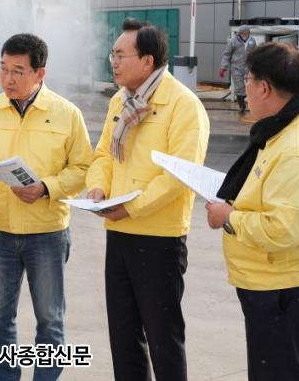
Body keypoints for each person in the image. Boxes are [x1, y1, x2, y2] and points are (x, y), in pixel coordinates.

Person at [205, 42, 299, 381]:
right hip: (276, 282)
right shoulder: (282, 130)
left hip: (287, 287)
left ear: (264, 87)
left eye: (247, 80)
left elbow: (282, 229)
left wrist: (229, 218)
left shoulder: (296, 149)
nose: (245, 88)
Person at [0, 33, 93, 381]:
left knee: (50, 319)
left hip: (46, 233)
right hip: (0, 232)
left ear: (39, 73)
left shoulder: (66, 114)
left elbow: (83, 169)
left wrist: (46, 188)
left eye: (18, 71)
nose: (8, 78)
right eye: (3, 69)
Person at [86, 19, 210, 381]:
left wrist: (131, 206)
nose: (114, 62)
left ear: (147, 61)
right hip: (119, 232)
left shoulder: (183, 105)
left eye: (121, 55)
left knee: (163, 338)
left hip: (160, 239)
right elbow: (103, 155)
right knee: (124, 336)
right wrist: (98, 189)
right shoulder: (119, 101)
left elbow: (179, 176)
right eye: (113, 54)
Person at [220, 25, 257, 115]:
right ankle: (242, 106)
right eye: (242, 33)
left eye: (246, 32)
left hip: (248, 67)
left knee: (252, 85)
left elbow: (255, 53)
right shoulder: (233, 41)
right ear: (239, 33)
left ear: (249, 33)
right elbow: (226, 54)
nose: (244, 34)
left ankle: (251, 103)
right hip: (236, 67)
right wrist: (223, 67)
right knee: (239, 87)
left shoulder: (252, 41)